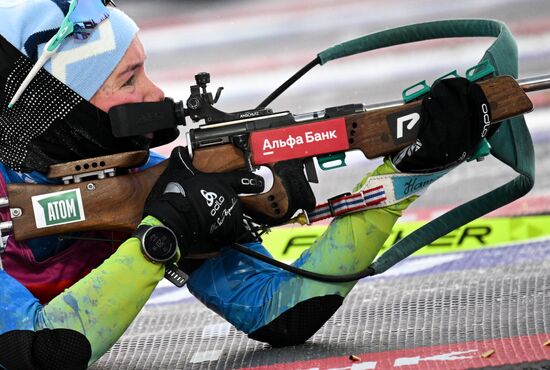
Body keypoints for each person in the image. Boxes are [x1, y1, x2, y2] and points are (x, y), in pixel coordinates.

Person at [0, 0, 490, 368]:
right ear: (52, 106)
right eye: (128, 81)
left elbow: (282, 311)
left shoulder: (128, 177)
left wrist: (411, 169)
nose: (155, 95)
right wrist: (162, 237)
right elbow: (46, 351)